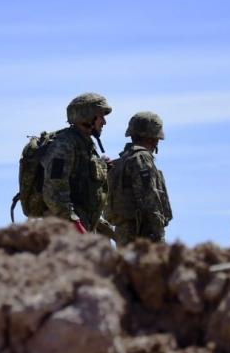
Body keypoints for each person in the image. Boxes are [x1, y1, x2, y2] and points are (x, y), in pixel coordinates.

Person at [41, 93, 114, 237]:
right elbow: (54, 192)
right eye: (101, 116)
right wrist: (75, 225)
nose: (104, 122)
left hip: (82, 229)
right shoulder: (64, 145)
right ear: (88, 116)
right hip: (66, 233)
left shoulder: (85, 145)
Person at [105, 111, 172, 246]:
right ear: (153, 137)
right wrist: (158, 233)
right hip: (142, 234)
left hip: (124, 233)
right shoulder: (141, 158)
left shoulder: (122, 161)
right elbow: (149, 197)